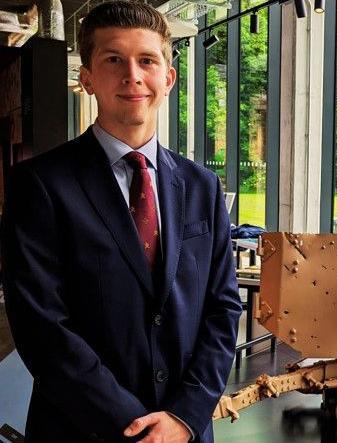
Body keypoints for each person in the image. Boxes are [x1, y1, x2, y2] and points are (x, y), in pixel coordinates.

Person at [1, 2, 242, 442]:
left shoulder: (202, 186)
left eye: (147, 60)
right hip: (81, 429)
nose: (132, 74)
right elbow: (42, 328)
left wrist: (184, 417)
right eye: (113, 60)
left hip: (182, 430)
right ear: (87, 78)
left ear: (168, 78)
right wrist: (130, 425)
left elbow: (223, 309)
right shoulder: (39, 185)